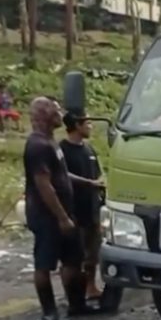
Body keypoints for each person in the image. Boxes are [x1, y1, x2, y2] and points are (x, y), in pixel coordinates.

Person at [23, 97, 101, 320]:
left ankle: (76, 305)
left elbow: (61, 175)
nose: (61, 115)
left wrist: (88, 183)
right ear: (44, 115)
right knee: (45, 263)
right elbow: (43, 184)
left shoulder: (51, 142)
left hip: (66, 212)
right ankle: (49, 311)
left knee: (73, 259)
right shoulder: (37, 145)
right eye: (56, 111)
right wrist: (61, 217)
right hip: (47, 215)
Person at [59, 111, 105, 299]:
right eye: (87, 123)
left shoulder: (89, 149)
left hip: (92, 209)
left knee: (92, 254)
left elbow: (98, 173)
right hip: (74, 209)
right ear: (77, 125)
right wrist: (89, 183)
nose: (90, 126)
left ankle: (91, 286)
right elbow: (62, 174)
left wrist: (100, 182)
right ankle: (73, 294)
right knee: (74, 256)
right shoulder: (62, 149)